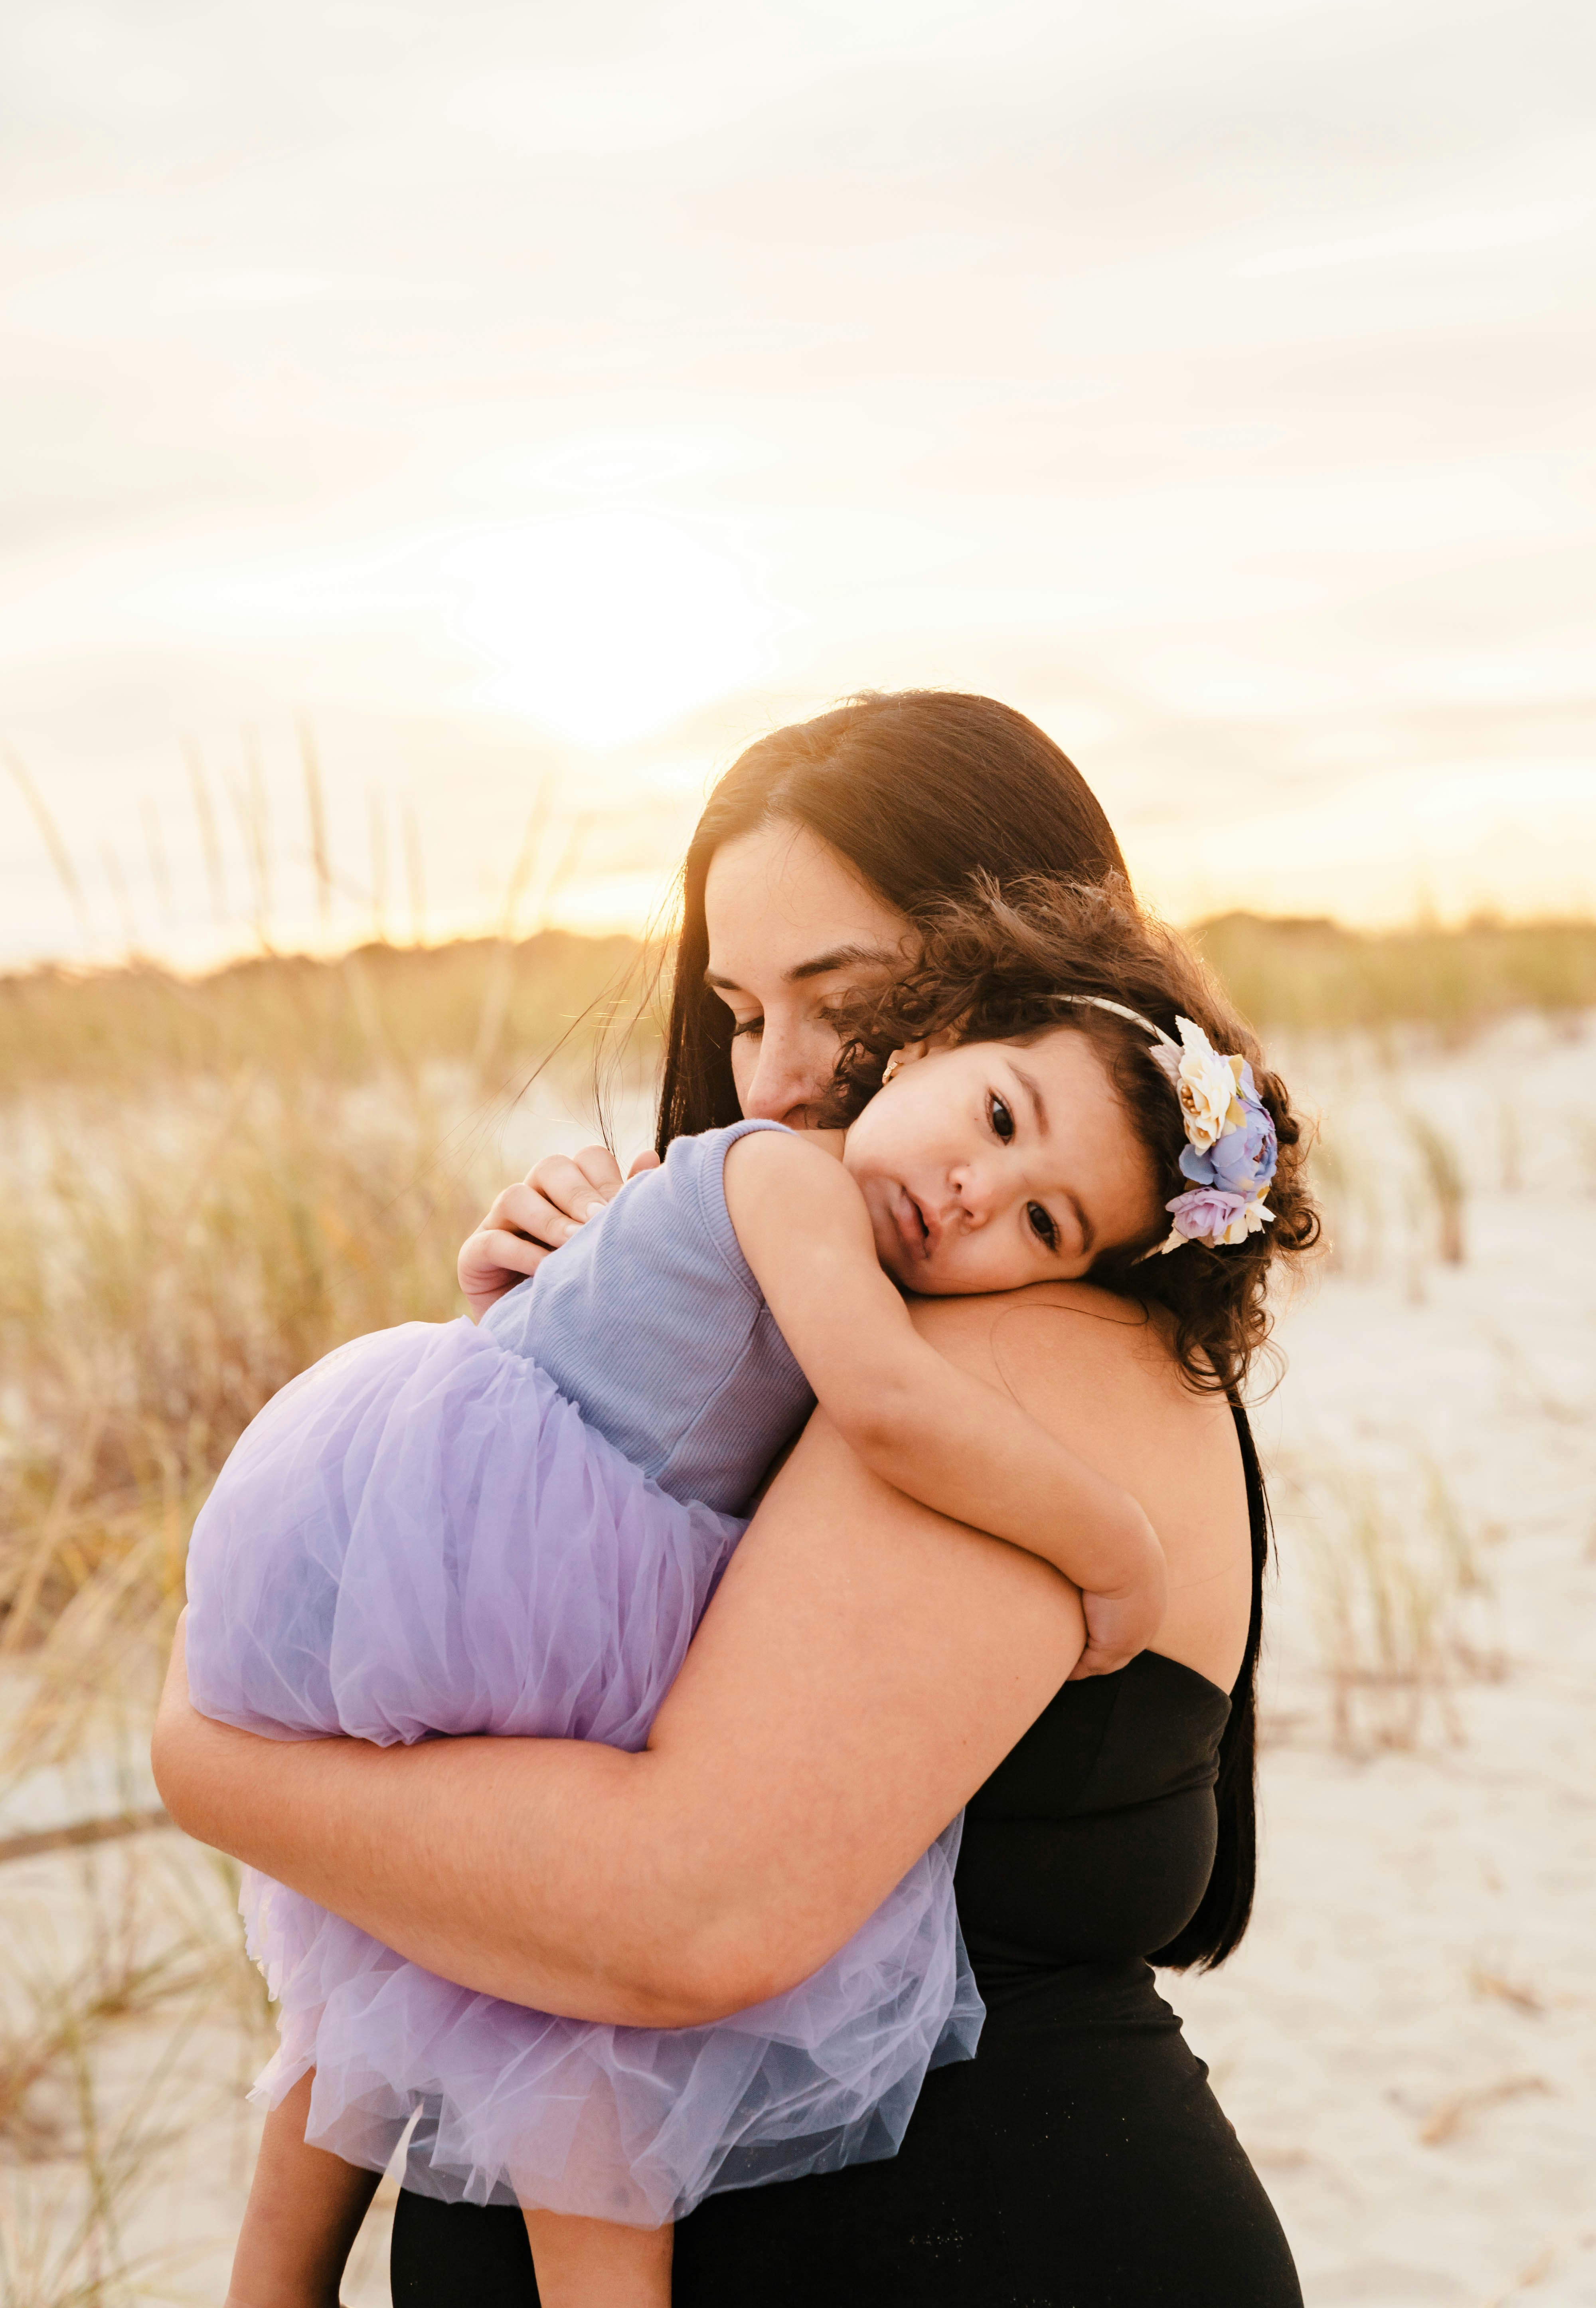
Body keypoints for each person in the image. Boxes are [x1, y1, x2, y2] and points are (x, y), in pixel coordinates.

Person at [154, 692, 1312, 2306]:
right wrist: (555, 1370)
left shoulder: (1012, 1358)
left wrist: (209, 1754)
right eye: (735, 1007)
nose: (770, 1079)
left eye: (841, 1003)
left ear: (1004, 986)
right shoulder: (843, 1302)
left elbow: (683, 1916)